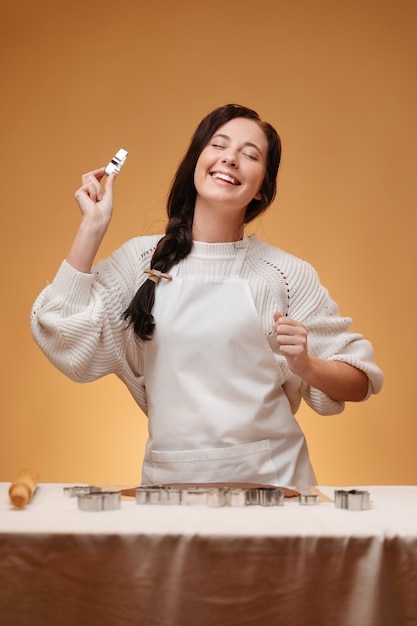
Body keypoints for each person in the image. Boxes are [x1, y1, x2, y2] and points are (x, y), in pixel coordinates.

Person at [30, 103, 383, 488]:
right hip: (170, 488)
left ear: (263, 188)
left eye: (250, 155)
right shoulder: (140, 262)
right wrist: (92, 228)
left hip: (274, 493)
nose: (230, 159)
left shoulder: (284, 274)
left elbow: (360, 379)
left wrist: (307, 365)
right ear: (197, 161)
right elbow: (60, 332)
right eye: (219, 145)